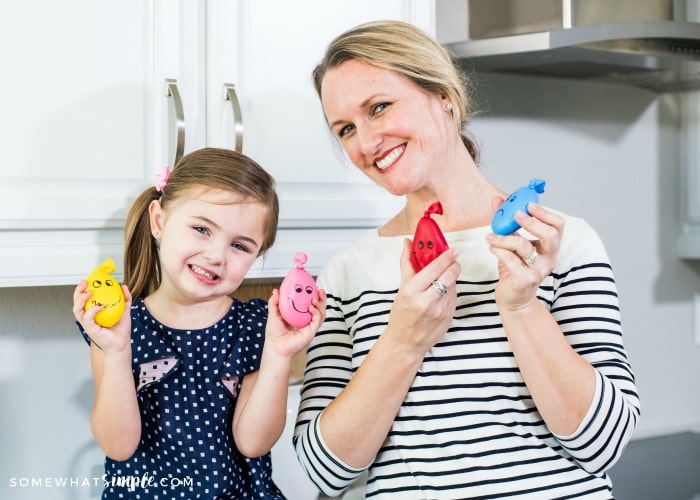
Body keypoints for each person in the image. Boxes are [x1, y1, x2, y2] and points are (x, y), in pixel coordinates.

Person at [293, 20, 640, 499]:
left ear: (444, 99)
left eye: (380, 107)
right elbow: (324, 472)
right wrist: (403, 340)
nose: (366, 142)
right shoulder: (347, 275)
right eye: (346, 129)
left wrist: (522, 308)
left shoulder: (557, 242)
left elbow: (604, 443)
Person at [73, 147, 326, 499]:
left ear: (258, 255)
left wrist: (279, 357)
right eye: (201, 229)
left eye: (240, 245)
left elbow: (253, 443)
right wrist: (116, 353)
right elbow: (118, 447)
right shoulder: (118, 326)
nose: (216, 255)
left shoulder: (256, 326)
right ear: (159, 221)